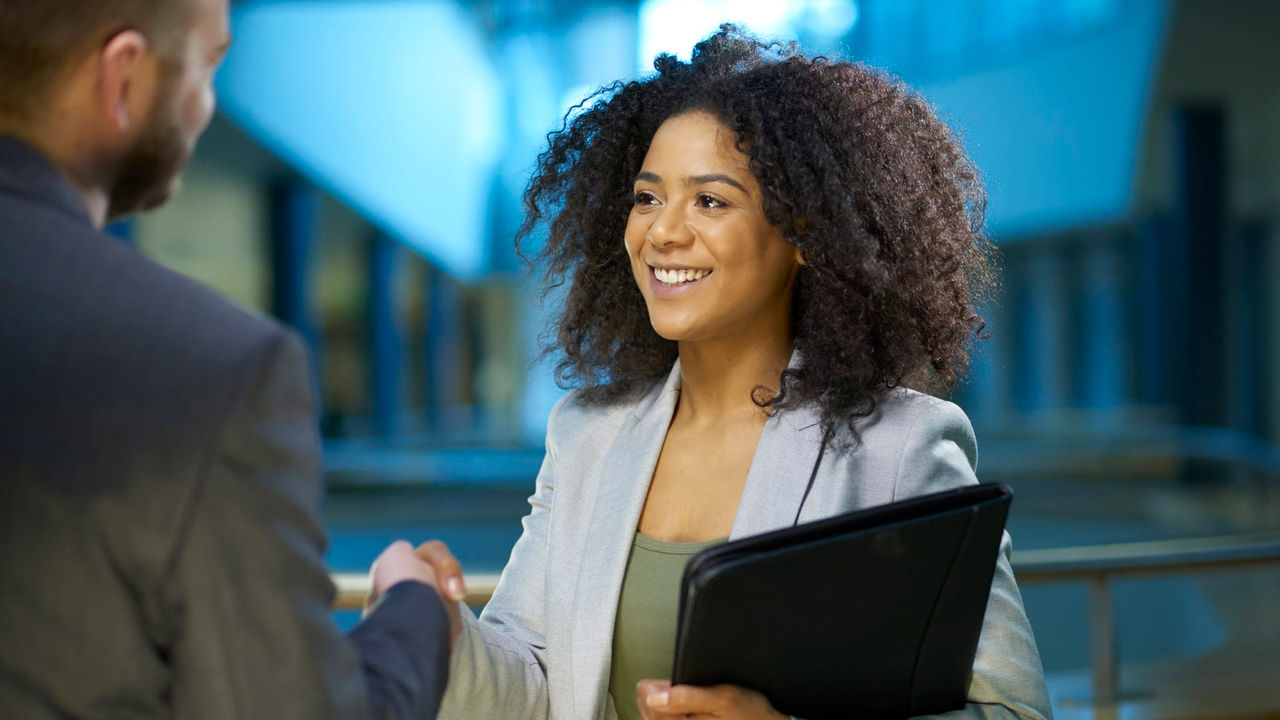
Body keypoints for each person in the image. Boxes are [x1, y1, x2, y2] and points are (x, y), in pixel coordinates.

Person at [426, 25, 1053, 720]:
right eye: (647, 197)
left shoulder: (899, 447)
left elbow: (1015, 712)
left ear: (806, 237)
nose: (662, 232)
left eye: (710, 201)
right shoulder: (586, 435)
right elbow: (537, 684)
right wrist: (444, 634)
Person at [0, 0, 461, 717]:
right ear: (122, 76)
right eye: (208, 65)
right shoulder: (209, 369)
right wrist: (414, 609)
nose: (206, 106)